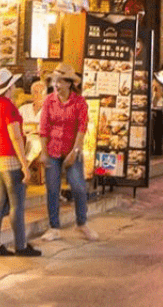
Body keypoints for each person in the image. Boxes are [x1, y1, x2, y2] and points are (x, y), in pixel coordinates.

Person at [0, 67, 41, 258]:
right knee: (16, 204)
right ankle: (20, 245)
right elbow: (15, 137)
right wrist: (24, 165)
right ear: (9, 87)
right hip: (10, 161)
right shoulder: (9, 107)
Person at [39, 63, 97, 242]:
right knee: (52, 188)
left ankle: (82, 222)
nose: (56, 85)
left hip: (73, 148)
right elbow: (44, 127)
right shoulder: (49, 100)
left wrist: (75, 150)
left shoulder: (79, 102)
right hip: (53, 149)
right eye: (55, 81)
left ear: (69, 83)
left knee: (78, 186)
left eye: (60, 81)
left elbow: (82, 127)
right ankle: (54, 226)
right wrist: (43, 152)